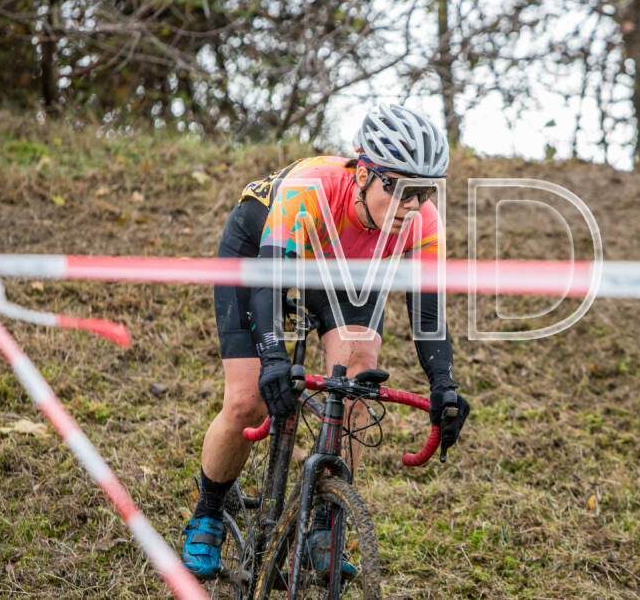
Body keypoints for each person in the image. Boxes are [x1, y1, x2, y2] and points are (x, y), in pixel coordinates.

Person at [182, 104, 471, 579]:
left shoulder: (422, 222)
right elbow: (268, 281)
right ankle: (208, 512)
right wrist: (273, 355)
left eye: (424, 191)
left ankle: (322, 525)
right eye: (398, 188)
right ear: (364, 173)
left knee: (357, 389)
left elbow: (429, 310)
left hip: (341, 269)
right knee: (248, 400)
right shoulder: (312, 188)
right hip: (261, 251)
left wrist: (444, 383)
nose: (412, 205)